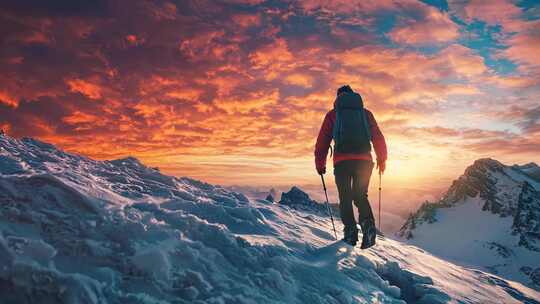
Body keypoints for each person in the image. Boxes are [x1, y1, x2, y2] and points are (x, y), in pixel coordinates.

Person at [314, 85, 387, 248]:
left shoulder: (333, 115)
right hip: (364, 162)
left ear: (338, 98)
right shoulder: (366, 114)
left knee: (345, 198)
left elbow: (322, 142)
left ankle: (350, 232)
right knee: (360, 195)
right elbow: (377, 136)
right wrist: (382, 159)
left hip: (342, 163)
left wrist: (320, 164)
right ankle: (368, 226)